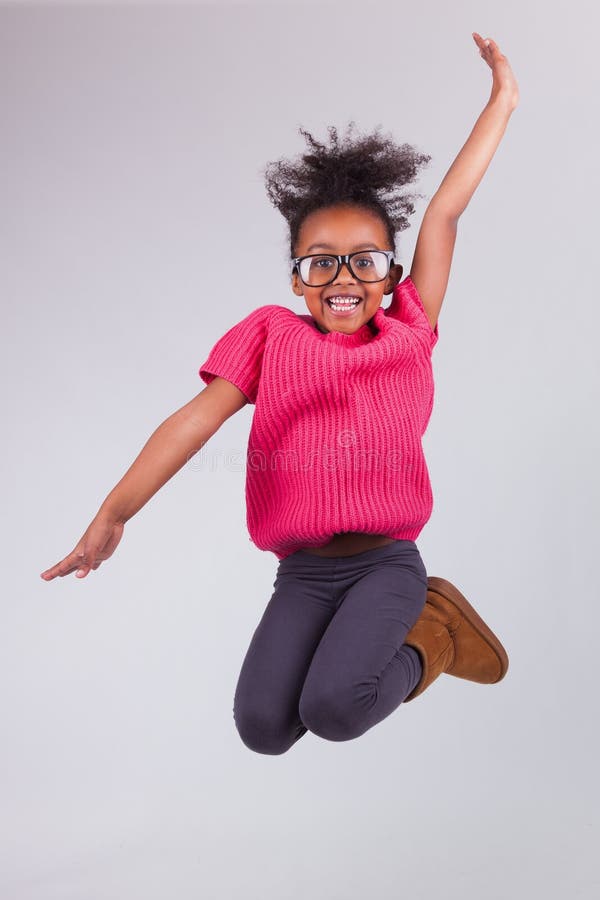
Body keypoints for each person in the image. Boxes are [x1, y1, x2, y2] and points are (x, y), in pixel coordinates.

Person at [41, 33, 518, 755]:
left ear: (391, 276)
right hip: (302, 573)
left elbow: (445, 212)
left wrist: (502, 100)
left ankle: (437, 633)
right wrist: (114, 513)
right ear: (296, 279)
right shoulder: (270, 336)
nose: (343, 279)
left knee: (335, 708)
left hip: (386, 564)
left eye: (365, 261)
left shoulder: (408, 331)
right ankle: (380, 651)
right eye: (320, 264)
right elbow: (193, 423)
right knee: (264, 729)